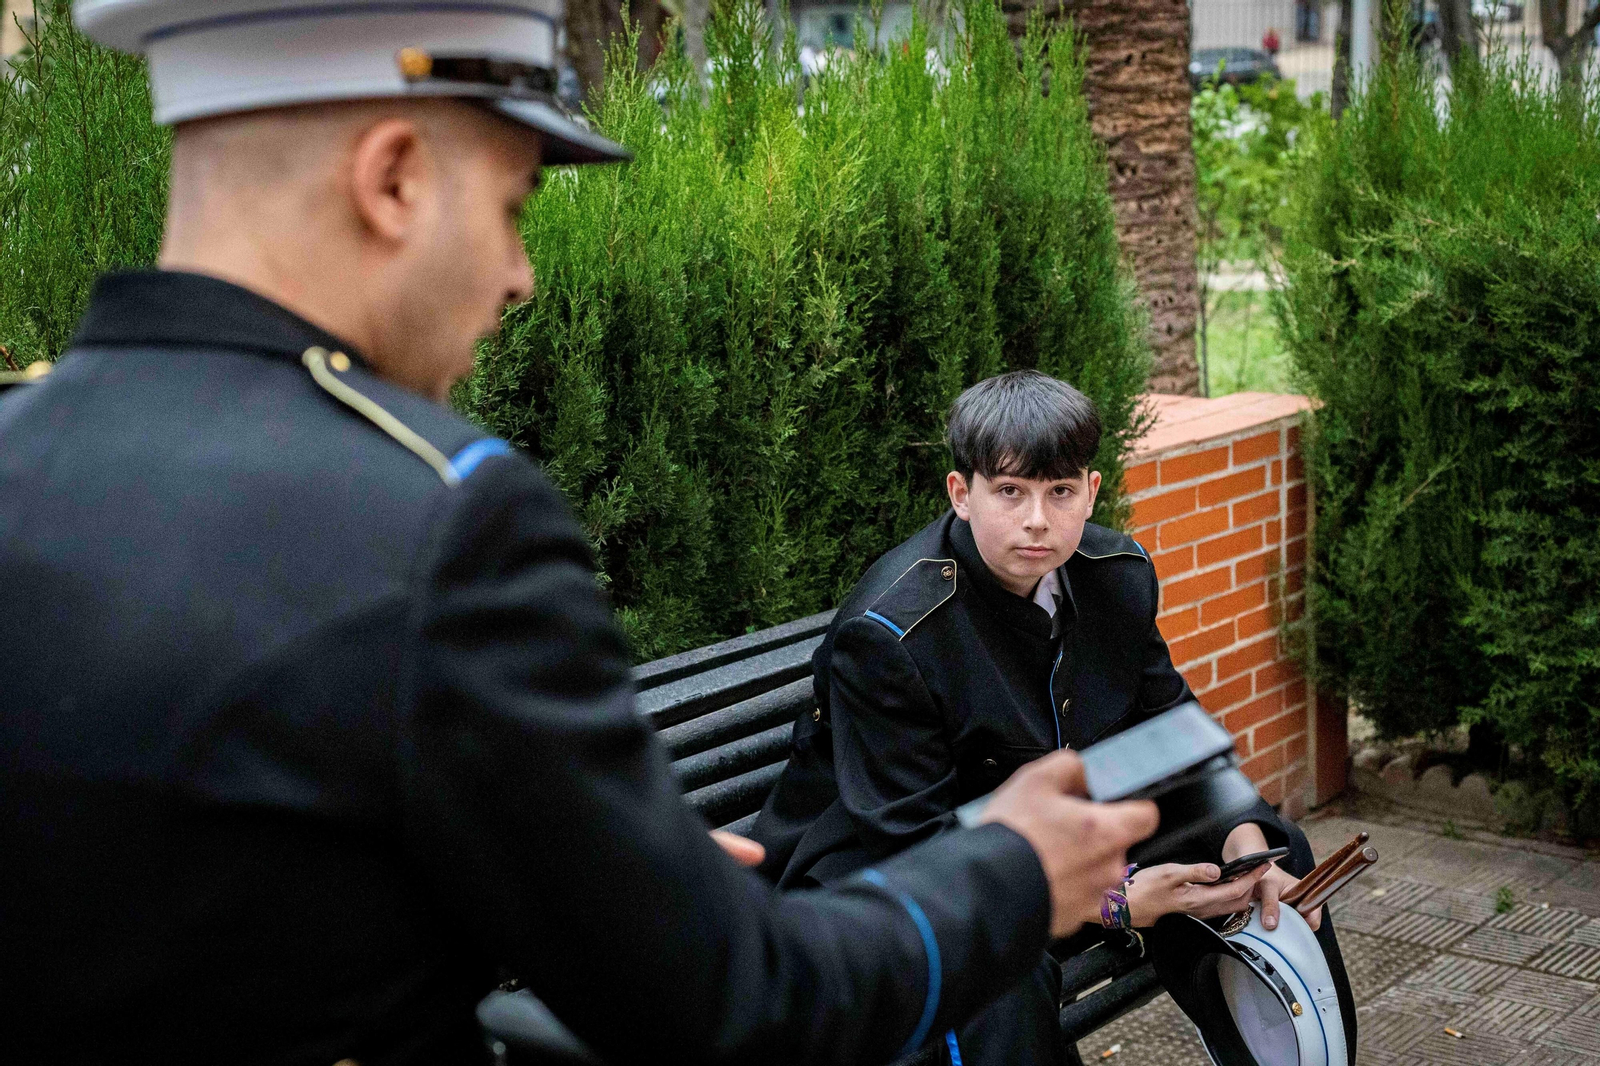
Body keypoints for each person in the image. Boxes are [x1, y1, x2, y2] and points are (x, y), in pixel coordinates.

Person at [0, 2, 1163, 1063]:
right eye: (510, 209)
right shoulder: (443, 518)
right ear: (394, 178)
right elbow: (739, 1001)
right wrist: (1009, 868)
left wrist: (552, 870)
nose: (518, 277)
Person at [750, 370, 1351, 1066]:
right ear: (961, 495)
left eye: (1059, 492)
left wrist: (1249, 848)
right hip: (888, 870)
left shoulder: (1115, 574)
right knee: (998, 972)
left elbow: (1175, 736)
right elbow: (912, 841)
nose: (1038, 519)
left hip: (1044, 838)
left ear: (1090, 492)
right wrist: (1117, 901)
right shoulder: (892, 634)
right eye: (1011, 492)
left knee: (1277, 861)